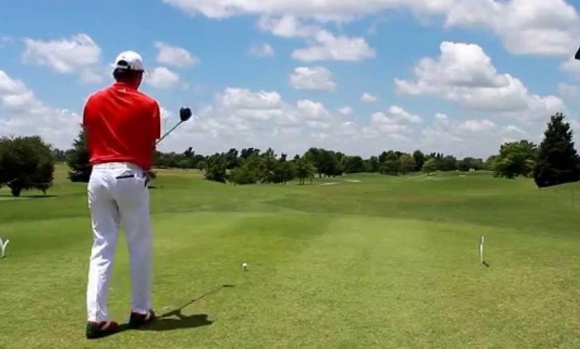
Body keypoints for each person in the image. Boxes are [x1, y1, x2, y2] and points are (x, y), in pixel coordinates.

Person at [82, 50, 161, 339]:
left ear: (116, 73)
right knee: (138, 244)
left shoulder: (92, 100)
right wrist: (142, 164)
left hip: (97, 174)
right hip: (129, 174)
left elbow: (90, 138)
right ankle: (141, 310)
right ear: (138, 75)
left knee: (102, 245)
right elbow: (149, 144)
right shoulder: (149, 103)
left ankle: (96, 318)